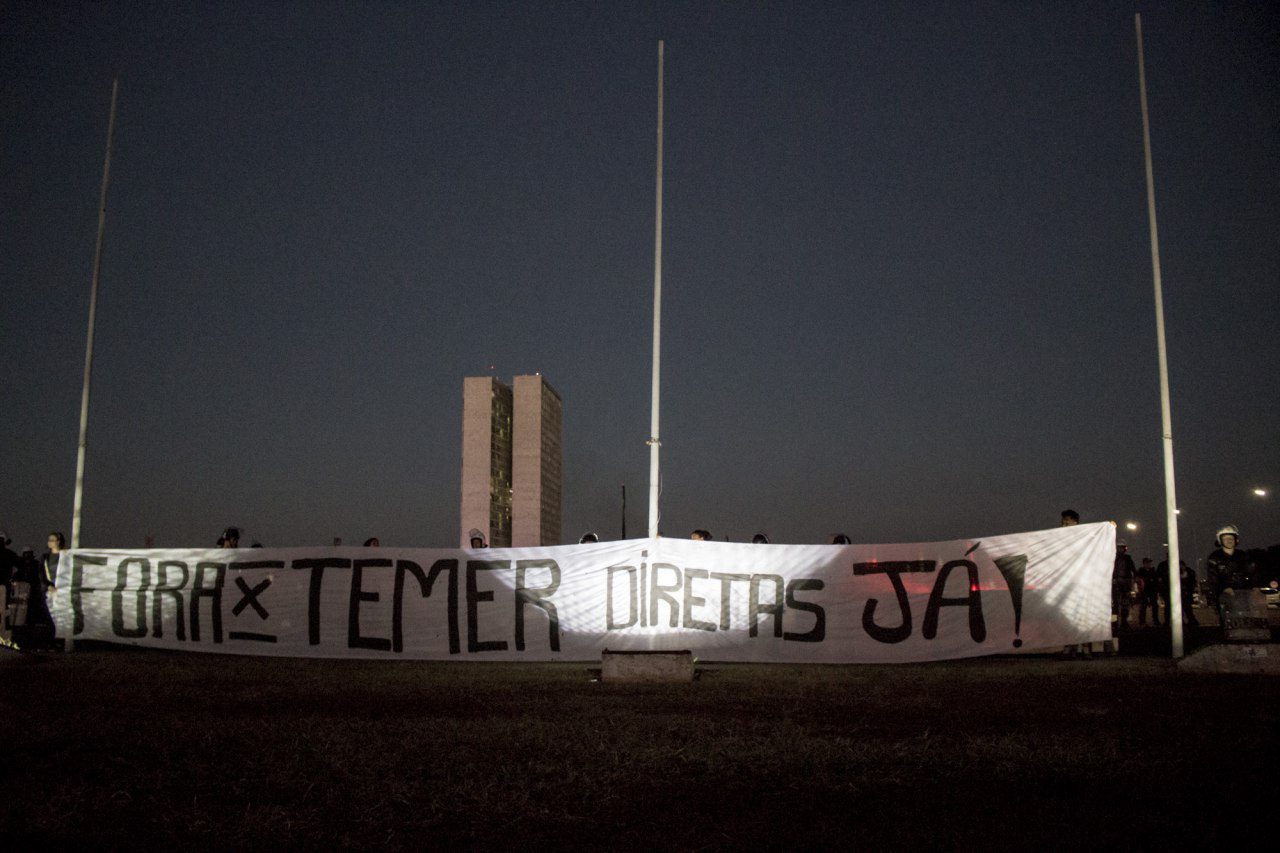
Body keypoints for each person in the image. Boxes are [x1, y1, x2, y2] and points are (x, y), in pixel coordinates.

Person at [1205, 524, 1255, 622]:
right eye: (1226, 538)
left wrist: (1253, 587)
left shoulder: (1243, 555)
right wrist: (1224, 588)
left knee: (1245, 620)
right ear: (1220, 540)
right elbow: (1213, 579)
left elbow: (1251, 573)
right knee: (1228, 622)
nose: (1229, 540)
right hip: (1224, 595)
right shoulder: (1214, 557)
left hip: (1243, 594)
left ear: (1236, 540)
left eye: (1231, 538)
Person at [1111, 541, 1135, 632]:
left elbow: (1133, 568)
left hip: (1125, 583)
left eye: (1122, 547)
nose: (1121, 549)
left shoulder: (1128, 558)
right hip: (1116, 582)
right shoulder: (1113, 558)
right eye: (1119, 547)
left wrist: (1135, 577)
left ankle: (1124, 622)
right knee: (1115, 604)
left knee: (1125, 604)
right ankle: (1115, 623)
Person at [1136, 557, 1161, 628]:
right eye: (1147, 563)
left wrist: (1157, 590)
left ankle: (1156, 621)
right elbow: (1138, 580)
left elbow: (1157, 581)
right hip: (1144, 592)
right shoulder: (1140, 571)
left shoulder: (1153, 571)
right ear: (1144, 563)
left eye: (1149, 563)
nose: (1149, 564)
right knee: (1143, 607)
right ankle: (1142, 622)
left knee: (1155, 607)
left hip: (1153, 591)